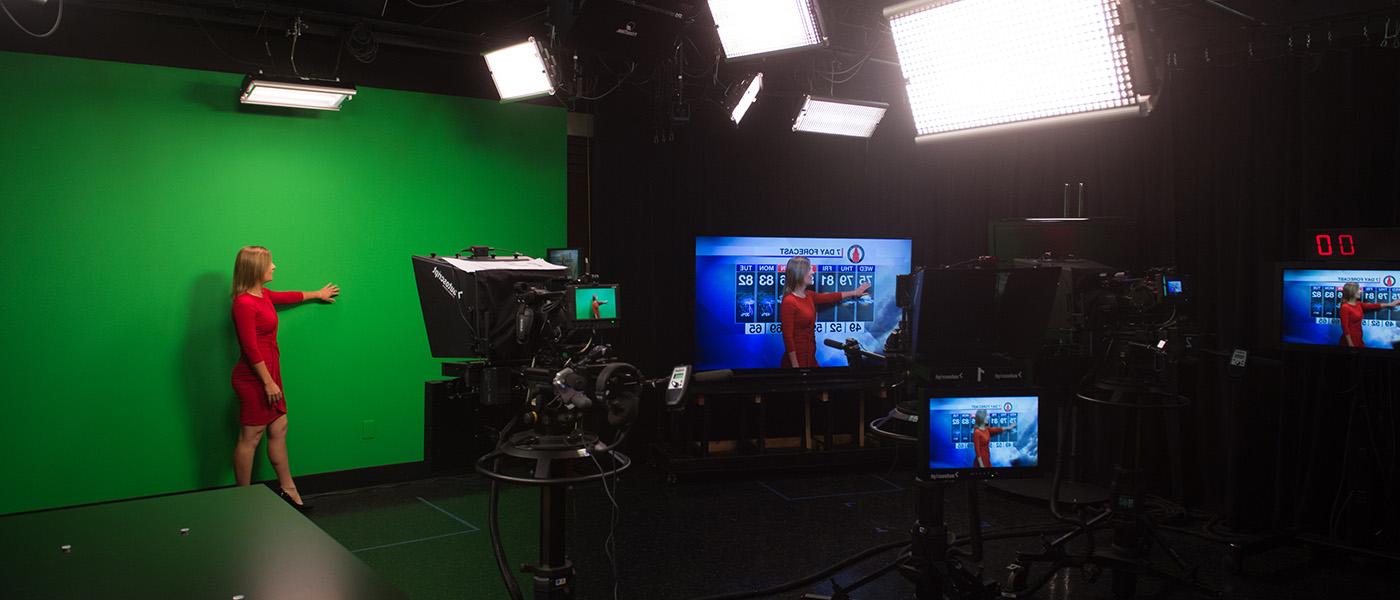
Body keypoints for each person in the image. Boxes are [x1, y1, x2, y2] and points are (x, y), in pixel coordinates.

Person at [230, 246, 340, 511]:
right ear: (256, 268)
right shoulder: (243, 303)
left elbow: (288, 297)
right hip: (254, 378)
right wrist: (268, 382)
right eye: (270, 263)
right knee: (251, 437)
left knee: (279, 428)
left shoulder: (263, 295)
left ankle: (289, 490)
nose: (274, 266)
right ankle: (241, 500)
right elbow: (250, 347)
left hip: (271, 374)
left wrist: (318, 294)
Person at [779, 256, 870, 368]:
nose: (813, 272)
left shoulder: (809, 295)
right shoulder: (789, 301)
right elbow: (788, 337)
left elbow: (831, 297)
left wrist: (855, 292)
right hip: (797, 360)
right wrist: (795, 366)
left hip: (810, 356)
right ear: (800, 273)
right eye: (810, 269)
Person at [1338, 282, 1399, 348]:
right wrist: (1350, 344)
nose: (1360, 291)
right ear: (1352, 292)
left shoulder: (1358, 304)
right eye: (1358, 289)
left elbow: (1373, 306)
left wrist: (1389, 304)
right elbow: (1345, 328)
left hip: (1358, 338)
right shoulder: (1345, 307)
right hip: (1350, 341)